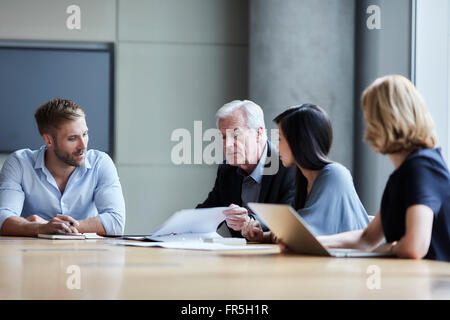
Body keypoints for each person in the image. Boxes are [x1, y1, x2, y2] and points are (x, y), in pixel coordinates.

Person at [318, 75, 450, 261]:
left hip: (433, 285)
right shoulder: (404, 172)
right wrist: (314, 241)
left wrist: (389, 247)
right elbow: (366, 239)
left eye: (369, 115)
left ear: (384, 120)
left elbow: (414, 247)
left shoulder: (423, 166)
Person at [242, 104, 369, 242]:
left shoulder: (334, 174)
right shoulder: (304, 179)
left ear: (298, 142)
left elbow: (306, 233)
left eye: (280, 139)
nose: (277, 148)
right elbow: (298, 232)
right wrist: (261, 236)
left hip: (353, 261)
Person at [0, 98, 125, 236]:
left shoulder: (100, 163)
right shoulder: (19, 163)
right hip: (33, 254)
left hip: (87, 254)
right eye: (72, 138)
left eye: (85, 134)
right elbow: (3, 218)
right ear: (49, 140)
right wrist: (41, 228)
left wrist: (54, 227)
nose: (83, 146)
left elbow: (116, 222)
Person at [197, 100, 295, 237]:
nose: (228, 145)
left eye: (235, 135)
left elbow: (290, 219)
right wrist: (178, 228)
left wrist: (250, 222)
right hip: (238, 256)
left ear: (259, 133)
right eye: (224, 137)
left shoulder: (287, 166)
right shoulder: (227, 170)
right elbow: (209, 211)